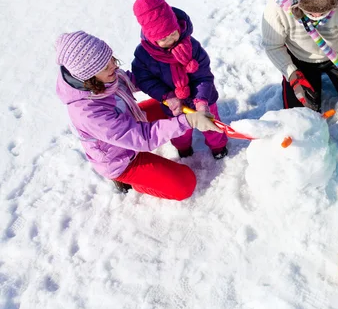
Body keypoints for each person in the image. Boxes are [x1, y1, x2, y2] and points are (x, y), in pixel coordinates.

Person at [55, 31, 222, 200]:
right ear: (88, 78)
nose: (114, 66)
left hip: (130, 121)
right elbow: (142, 137)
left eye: (111, 59)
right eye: (106, 67)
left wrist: (169, 84)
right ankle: (136, 182)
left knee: (175, 106)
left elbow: (137, 80)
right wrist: (188, 121)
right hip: (123, 158)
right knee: (185, 184)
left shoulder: (104, 76)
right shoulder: (88, 113)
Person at [131, 0, 228, 159]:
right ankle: (184, 149)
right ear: (151, 38)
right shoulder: (144, 55)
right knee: (180, 133)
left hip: (203, 98)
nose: (171, 40)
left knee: (212, 126)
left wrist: (202, 101)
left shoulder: (192, 46)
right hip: (173, 103)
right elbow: (144, 79)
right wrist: (166, 95)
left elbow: (203, 75)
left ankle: (218, 147)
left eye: (173, 33)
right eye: (163, 39)